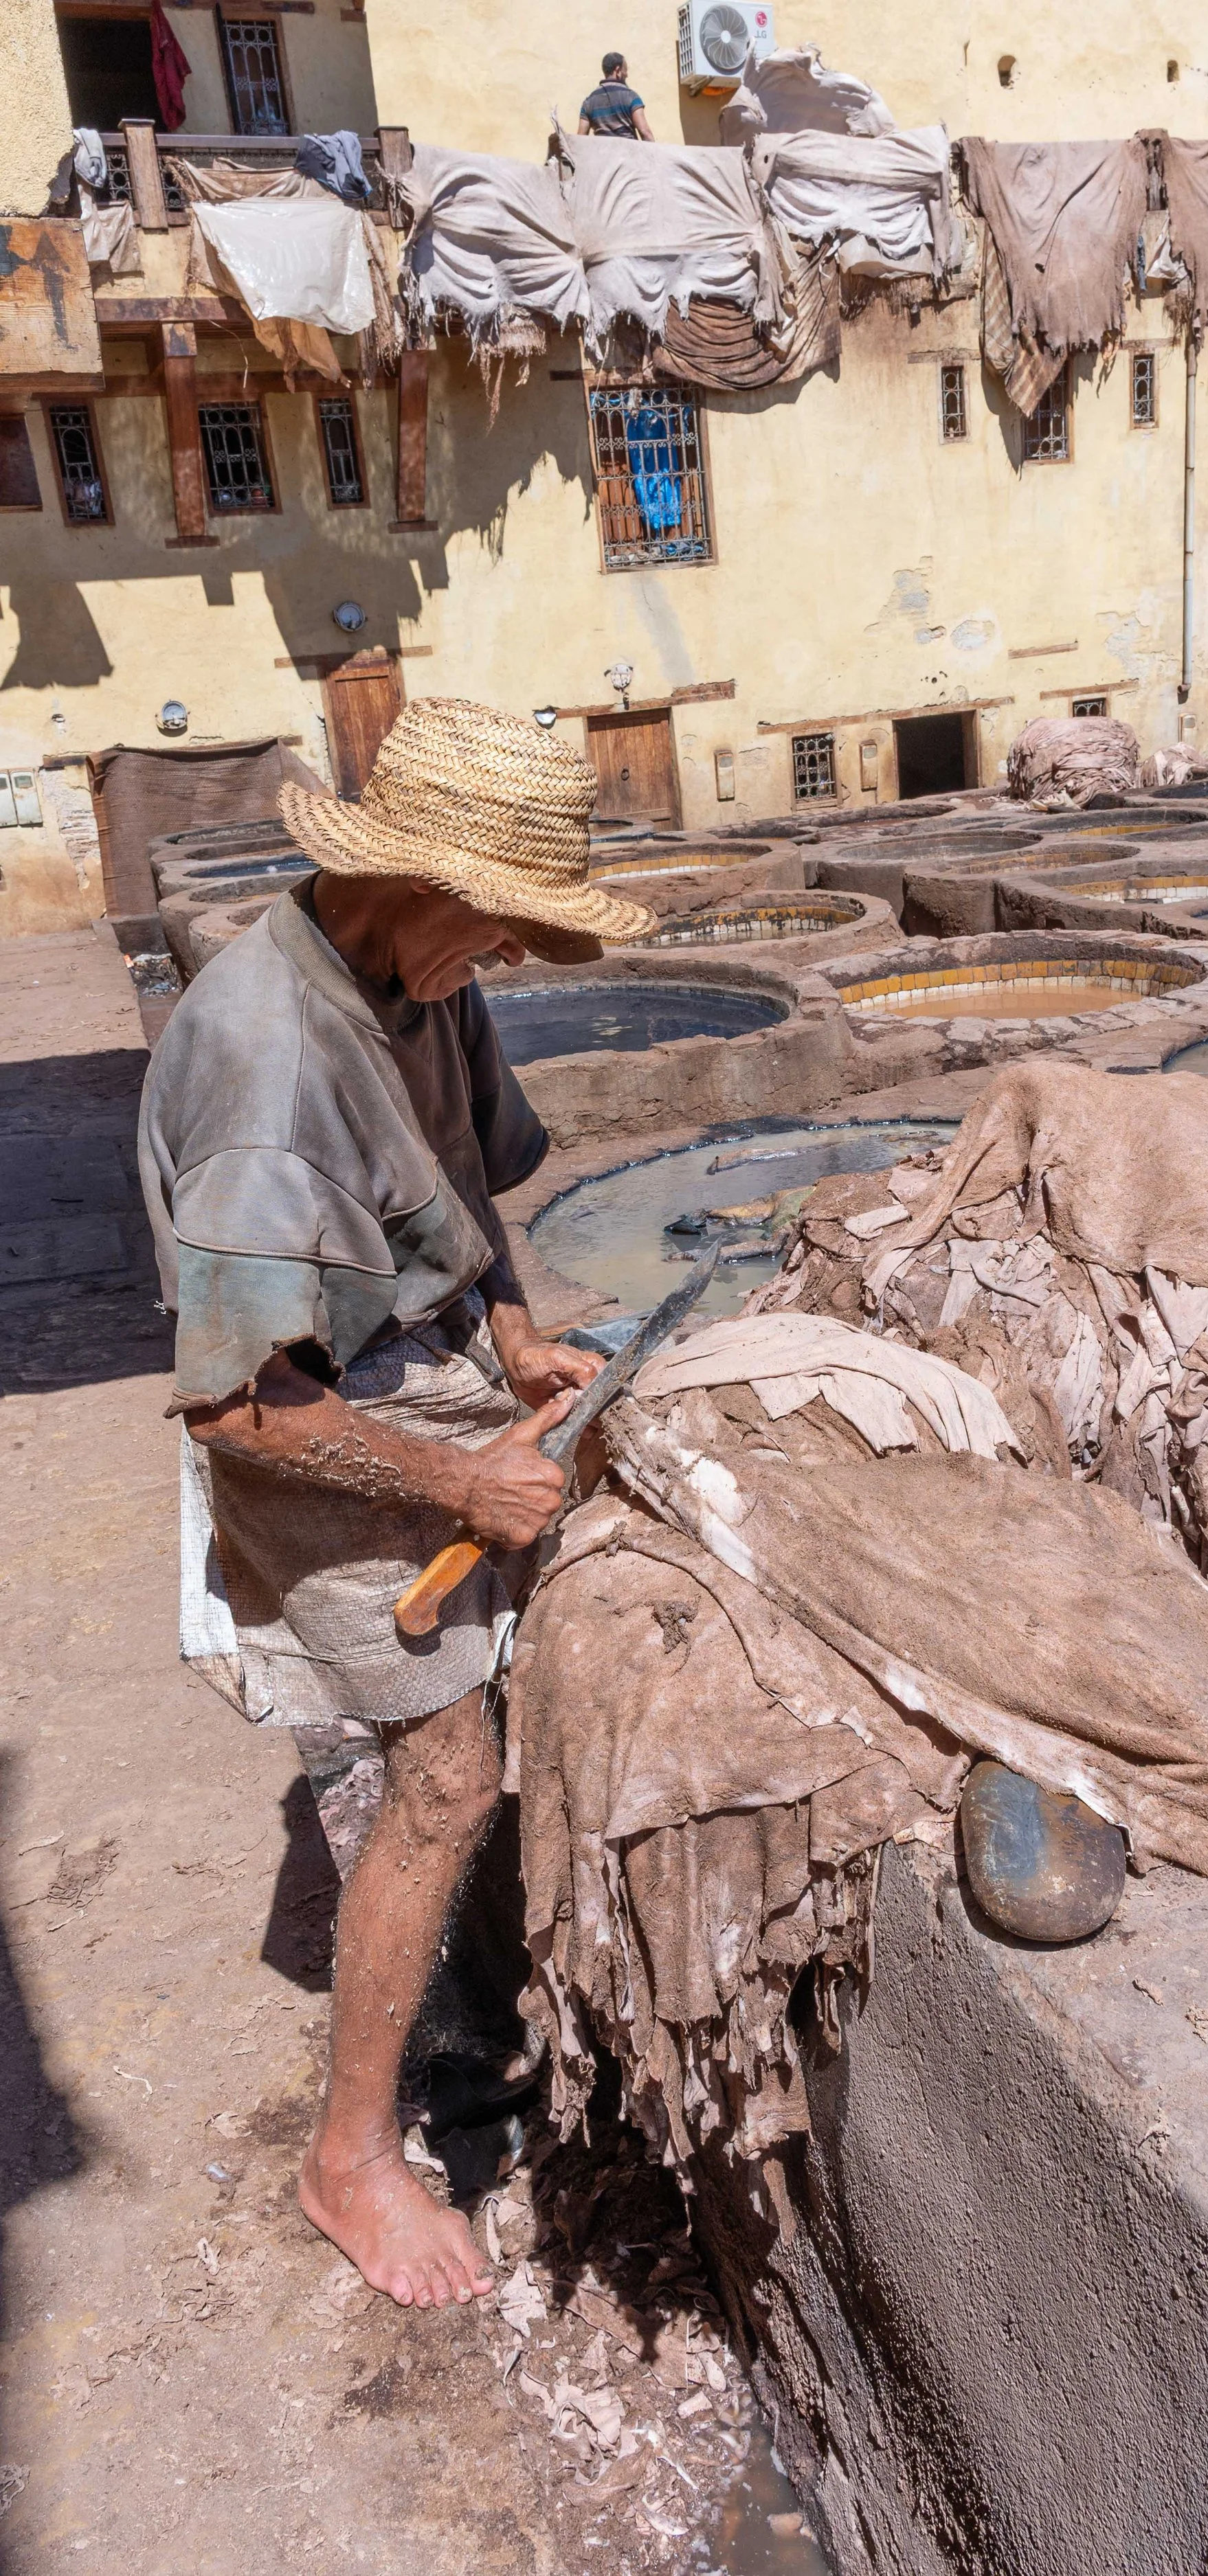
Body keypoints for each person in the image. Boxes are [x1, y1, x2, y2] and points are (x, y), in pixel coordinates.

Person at [139, 699, 653, 2312]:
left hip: (409, 1362)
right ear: (408, 878)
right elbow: (234, 1402)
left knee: (584, 1579)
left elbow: (465, 1178)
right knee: (442, 1773)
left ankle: (499, 1950)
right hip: (311, 1422)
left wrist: (511, 1332)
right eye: (494, 916)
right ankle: (346, 2154)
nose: (504, 948)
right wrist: (454, 1473)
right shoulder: (264, 1064)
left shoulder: (425, 968)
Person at [577, 50, 653, 139]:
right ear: (618, 71)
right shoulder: (631, 97)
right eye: (625, 70)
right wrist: (656, 152)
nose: (627, 75)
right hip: (629, 151)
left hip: (601, 151)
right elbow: (645, 132)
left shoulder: (589, 102)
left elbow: (581, 138)